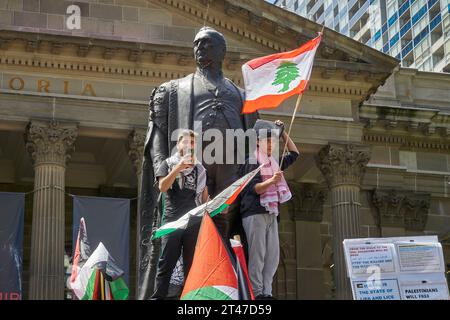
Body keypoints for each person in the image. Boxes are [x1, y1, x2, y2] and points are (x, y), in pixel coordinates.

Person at [138, 26, 258, 298]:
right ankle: (183, 288)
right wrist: (161, 168)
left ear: (222, 51)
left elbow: (254, 141)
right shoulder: (172, 90)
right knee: (186, 234)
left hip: (230, 167)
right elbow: (157, 134)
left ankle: (222, 279)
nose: (199, 48)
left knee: (224, 224)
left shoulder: (242, 96)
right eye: (196, 44)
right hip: (189, 177)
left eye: (206, 43)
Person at [239, 119, 299, 300]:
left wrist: (283, 132)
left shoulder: (274, 162)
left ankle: (267, 292)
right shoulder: (251, 160)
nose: (271, 143)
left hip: (272, 213)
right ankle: (256, 293)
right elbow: (253, 188)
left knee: (272, 256)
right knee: (258, 255)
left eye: (273, 140)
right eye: (268, 140)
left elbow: (295, 153)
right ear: (257, 141)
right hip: (254, 212)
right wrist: (272, 181)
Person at [151, 130, 209, 299]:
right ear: (179, 144)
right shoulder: (168, 164)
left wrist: (218, 203)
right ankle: (158, 297)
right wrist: (178, 168)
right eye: (186, 142)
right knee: (167, 261)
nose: (190, 145)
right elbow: (162, 187)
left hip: (192, 219)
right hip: (172, 219)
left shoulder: (200, 169)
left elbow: (204, 199)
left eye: (193, 143)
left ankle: (188, 297)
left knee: (191, 262)